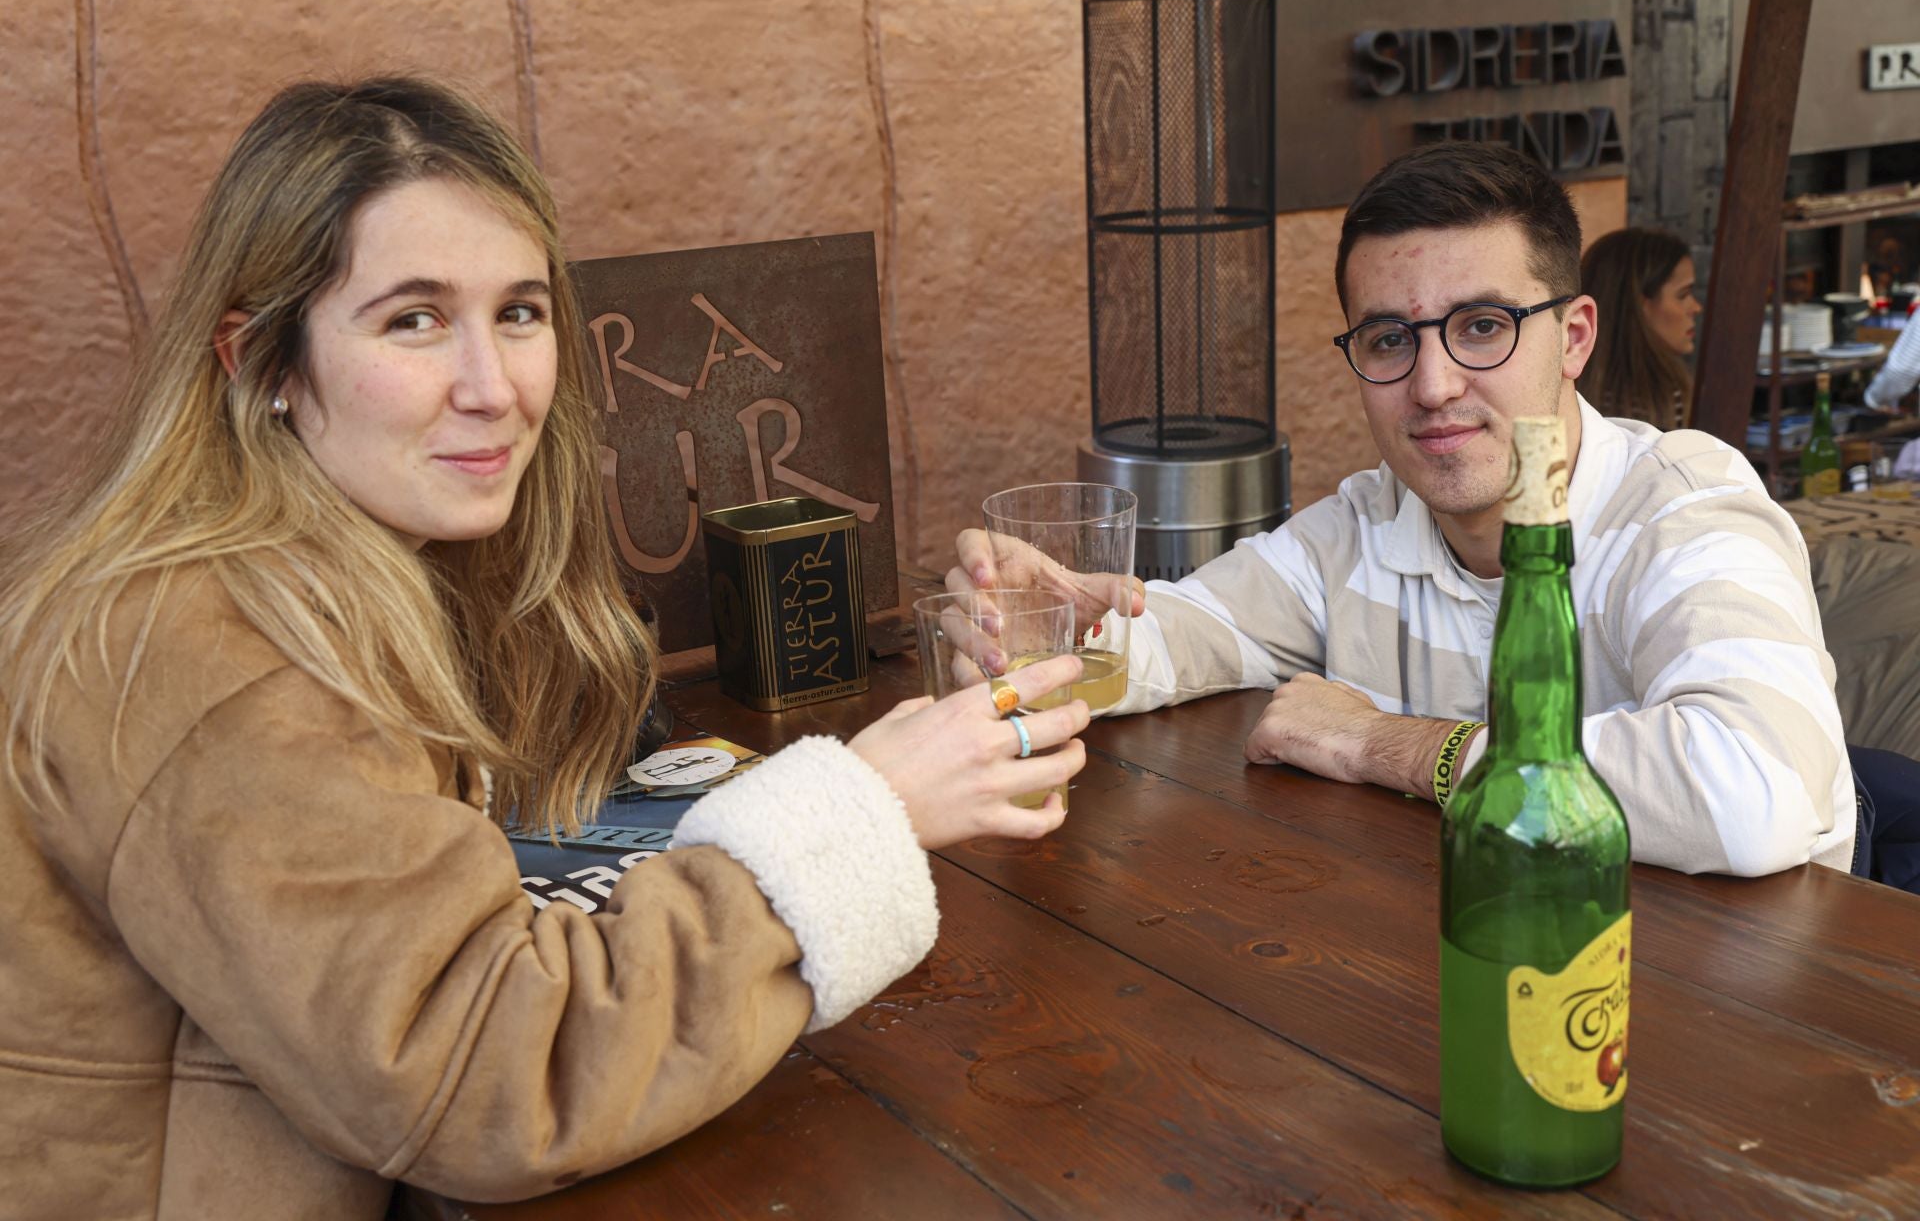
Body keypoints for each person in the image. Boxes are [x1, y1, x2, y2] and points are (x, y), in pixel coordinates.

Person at [0, 76, 1090, 1219]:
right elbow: (487, 1079)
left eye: (519, 312)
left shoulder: (343, 562)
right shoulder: (205, 642)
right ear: (262, 362)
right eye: (413, 318)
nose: (495, 387)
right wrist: (866, 810)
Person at [954, 141, 1856, 878]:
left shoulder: (1682, 507)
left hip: (1742, 1031)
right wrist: (1045, 630)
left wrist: (1387, 744)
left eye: (1482, 326)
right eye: (1390, 338)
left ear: (1573, 337)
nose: (1432, 386)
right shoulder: (1368, 523)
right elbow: (1183, 631)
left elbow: (1752, 795)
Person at [1576, 225, 1699, 428]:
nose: (1696, 307)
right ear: (1640, 305)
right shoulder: (1668, 395)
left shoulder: (1570, 391)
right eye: (1683, 295)